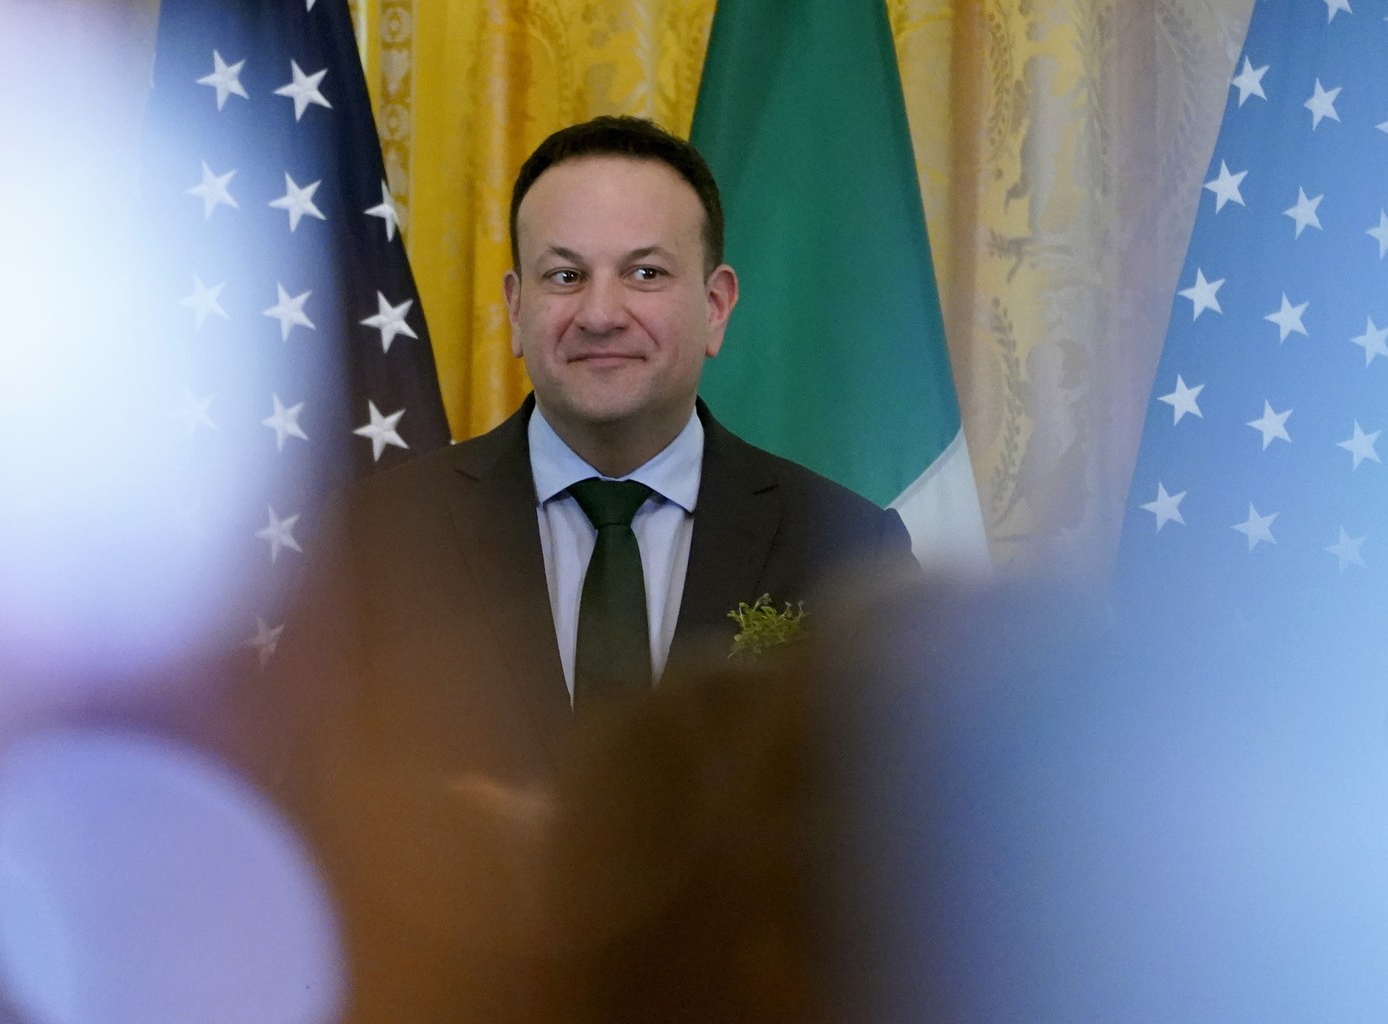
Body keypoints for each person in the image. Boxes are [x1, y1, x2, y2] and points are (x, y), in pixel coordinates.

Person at [248, 115, 918, 1024]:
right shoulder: (377, 540)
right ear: (517, 306)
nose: (600, 312)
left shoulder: (847, 546)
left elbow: (891, 867)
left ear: (716, 306)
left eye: (645, 272)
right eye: (566, 275)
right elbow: (300, 839)